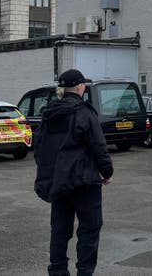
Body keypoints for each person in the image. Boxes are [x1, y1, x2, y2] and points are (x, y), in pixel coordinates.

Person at [34, 69, 113, 276]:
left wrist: (50, 172)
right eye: (83, 85)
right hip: (84, 182)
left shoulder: (49, 113)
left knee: (59, 230)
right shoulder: (84, 113)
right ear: (80, 87)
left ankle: (58, 271)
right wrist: (106, 172)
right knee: (89, 229)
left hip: (59, 183)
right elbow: (99, 146)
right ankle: (84, 272)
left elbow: (39, 148)